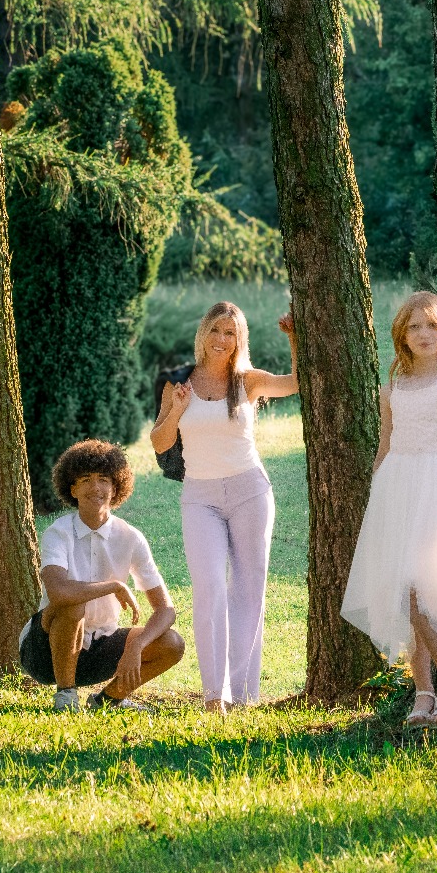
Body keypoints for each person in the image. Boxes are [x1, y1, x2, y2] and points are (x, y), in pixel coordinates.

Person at [341, 292, 437, 729]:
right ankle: (424, 690)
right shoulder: (391, 388)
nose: (424, 334)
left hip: (436, 492)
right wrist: (378, 496)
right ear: (401, 335)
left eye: (432, 325)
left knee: (419, 592)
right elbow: (385, 445)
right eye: (414, 327)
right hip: (396, 488)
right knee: (403, 589)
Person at [148, 301, 297, 710]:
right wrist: (177, 410)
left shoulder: (248, 381)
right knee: (210, 586)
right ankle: (215, 694)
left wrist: (294, 338)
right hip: (201, 497)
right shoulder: (179, 383)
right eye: (215, 330)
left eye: (230, 333)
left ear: (239, 339)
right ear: (203, 334)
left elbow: (296, 383)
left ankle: (244, 694)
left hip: (251, 491)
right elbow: (160, 443)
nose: (221, 339)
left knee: (249, 590)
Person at [23, 440, 186, 711]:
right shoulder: (58, 532)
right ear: (72, 488)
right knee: (73, 602)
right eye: (85, 479)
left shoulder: (131, 537)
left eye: (103, 480)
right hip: (45, 652)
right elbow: (58, 592)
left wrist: (137, 646)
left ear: (115, 487)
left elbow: (166, 610)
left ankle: (108, 700)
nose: (95, 487)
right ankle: (65, 696)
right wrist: (113, 586)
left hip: (100, 646)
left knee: (172, 643)